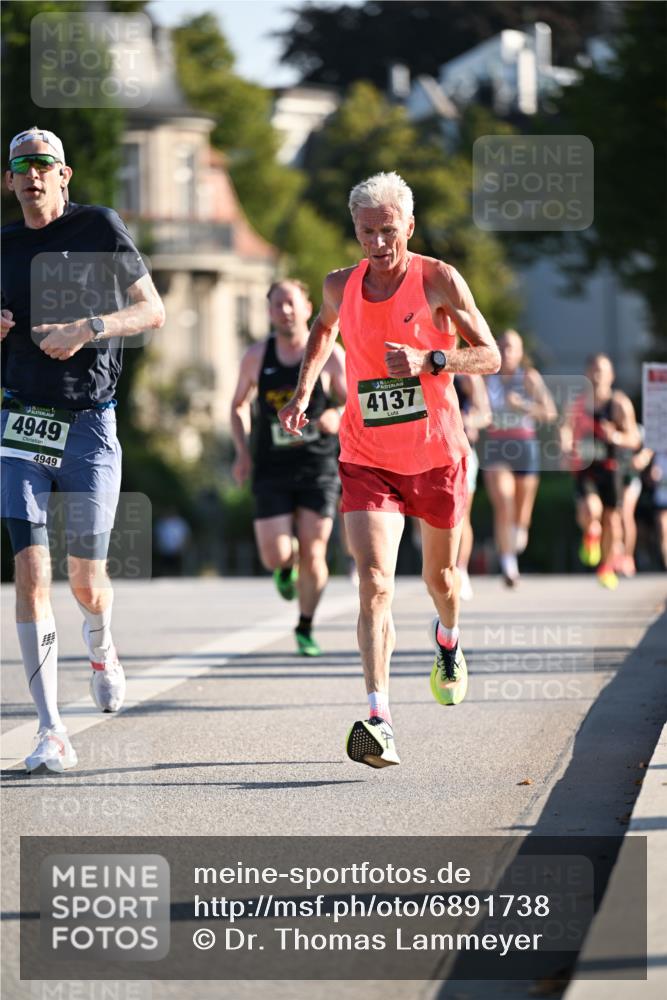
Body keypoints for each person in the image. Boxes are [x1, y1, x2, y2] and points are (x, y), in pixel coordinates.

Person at [278, 171, 500, 768]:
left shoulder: (438, 279)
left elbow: (492, 355)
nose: (378, 244)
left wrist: (432, 358)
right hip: (366, 455)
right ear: (355, 229)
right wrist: (304, 394)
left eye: (389, 231)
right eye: (367, 231)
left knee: (441, 583)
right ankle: (379, 719)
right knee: (374, 582)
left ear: (409, 226)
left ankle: (448, 640)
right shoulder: (336, 285)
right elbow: (322, 333)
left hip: (435, 455)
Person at [1, 127, 165, 772]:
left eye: (45, 164)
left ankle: (100, 642)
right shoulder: (5, 246)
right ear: (10, 180)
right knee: (32, 573)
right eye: (22, 166)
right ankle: (51, 730)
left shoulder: (98, 227)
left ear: (64, 175)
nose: (34, 175)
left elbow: (151, 311)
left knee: (86, 581)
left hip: (90, 425)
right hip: (19, 423)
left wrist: (88, 327)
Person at [230, 279, 346, 656]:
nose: (284, 311)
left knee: (315, 551)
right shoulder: (256, 357)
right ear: (269, 312)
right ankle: (284, 568)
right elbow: (237, 405)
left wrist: (335, 414)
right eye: (277, 304)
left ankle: (305, 626)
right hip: (271, 466)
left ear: (308, 307)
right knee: (275, 555)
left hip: (318, 466)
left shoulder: (332, 355)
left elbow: (356, 401)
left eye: (291, 304)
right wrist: (242, 452)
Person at [481, 330, 556, 587]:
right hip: (497, 446)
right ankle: (508, 563)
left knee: (521, 515)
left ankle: (517, 533)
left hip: (524, 446)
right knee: (504, 501)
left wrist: (522, 406)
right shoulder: (486, 378)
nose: (505, 352)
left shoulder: (528, 378)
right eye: (501, 347)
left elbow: (549, 412)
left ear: (521, 352)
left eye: (511, 347)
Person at [561, 353, 641, 589]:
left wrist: (614, 435)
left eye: (602, 371)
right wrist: (566, 448)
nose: (597, 375)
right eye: (594, 370)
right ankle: (591, 535)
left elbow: (634, 438)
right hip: (586, 468)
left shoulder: (618, 404)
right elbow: (565, 429)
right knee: (590, 510)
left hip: (611, 468)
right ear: (586, 374)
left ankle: (605, 567)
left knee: (612, 521)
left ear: (611, 375)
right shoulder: (577, 404)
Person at [454, 374, 491, 601]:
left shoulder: (467, 374)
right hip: (429, 453)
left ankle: (461, 569)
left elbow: (484, 414)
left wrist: (467, 421)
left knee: (462, 515)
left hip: (463, 453)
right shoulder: (420, 363)